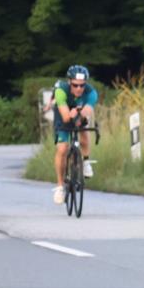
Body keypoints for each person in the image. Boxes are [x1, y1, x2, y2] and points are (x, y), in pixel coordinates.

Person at [51, 65, 98, 204]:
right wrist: (73, 113)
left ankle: (86, 161)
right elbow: (66, 117)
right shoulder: (61, 91)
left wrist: (80, 114)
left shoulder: (91, 93)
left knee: (84, 128)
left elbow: (87, 111)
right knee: (62, 149)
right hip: (62, 116)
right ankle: (60, 186)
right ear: (69, 82)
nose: (79, 89)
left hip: (79, 115)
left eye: (82, 85)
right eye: (75, 85)